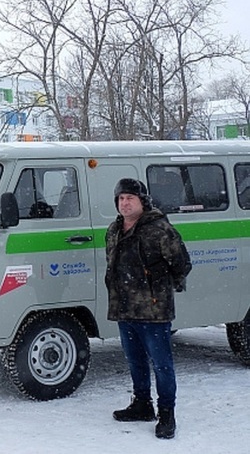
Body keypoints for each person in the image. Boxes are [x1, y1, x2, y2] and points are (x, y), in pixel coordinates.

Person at [105, 178, 192, 440]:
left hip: (153, 312)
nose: (125, 203)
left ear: (143, 201)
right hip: (124, 309)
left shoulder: (159, 229)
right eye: (121, 198)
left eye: (130, 198)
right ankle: (142, 404)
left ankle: (167, 413)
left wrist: (159, 291)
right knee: (135, 361)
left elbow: (182, 263)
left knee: (162, 365)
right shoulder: (114, 230)